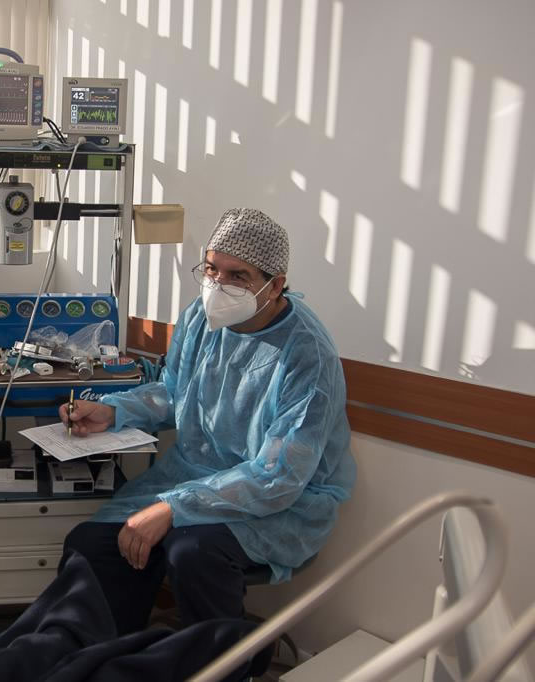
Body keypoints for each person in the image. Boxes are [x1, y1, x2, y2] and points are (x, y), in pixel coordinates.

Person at [59, 207, 356, 636]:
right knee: (93, 544)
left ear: (275, 285)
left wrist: (173, 508)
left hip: (278, 503)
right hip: (191, 478)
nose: (218, 285)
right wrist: (114, 411)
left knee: (191, 551)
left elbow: (279, 475)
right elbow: (174, 392)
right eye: (212, 269)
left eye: (238, 276)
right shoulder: (202, 317)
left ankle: (222, 660)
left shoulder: (307, 353)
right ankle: (105, 655)